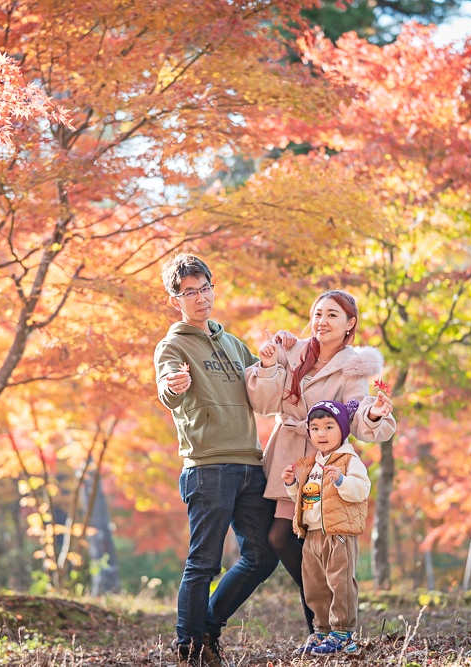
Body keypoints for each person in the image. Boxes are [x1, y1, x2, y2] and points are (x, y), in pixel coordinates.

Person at [154, 254, 280, 667]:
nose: (201, 297)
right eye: (190, 292)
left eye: (205, 287)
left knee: (263, 555)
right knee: (204, 563)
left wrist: (272, 362)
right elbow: (167, 388)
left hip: (250, 463)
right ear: (177, 299)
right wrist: (174, 384)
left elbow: (261, 390)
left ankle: (207, 627)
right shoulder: (172, 345)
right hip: (208, 466)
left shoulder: (232, 343)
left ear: (213, 287)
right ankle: (189, 648)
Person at [246, 289, 395, 634]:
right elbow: (262, 402)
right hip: (286, 457)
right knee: (281, 537)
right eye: (317, 313)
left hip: (321, 466)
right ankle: (324, 620)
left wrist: (371, 413)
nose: (322, 321)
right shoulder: (291, 351)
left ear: (349, 324)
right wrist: (269, 364)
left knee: (309, 545)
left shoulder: (353, 368)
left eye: (332, 315)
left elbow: (354, 416)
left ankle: (325, 627)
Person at [281, 400, 374, 655]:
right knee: (314, 585)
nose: (321, 433)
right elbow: (306, 499)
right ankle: (321, 631)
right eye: (315, 428)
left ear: (342, 430)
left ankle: (342, 632)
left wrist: (342, 480)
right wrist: (292, 485)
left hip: (339, 534)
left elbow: (362, 491)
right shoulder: (311, 464)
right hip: (312, 534)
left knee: (339, 582)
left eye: (329, 427)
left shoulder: (348, 460)